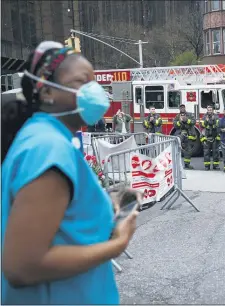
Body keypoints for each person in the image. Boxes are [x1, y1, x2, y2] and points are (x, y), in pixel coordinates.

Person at [1, 41, 139, 304]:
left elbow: (60, 220)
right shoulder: (48, 147)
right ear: (47, 92)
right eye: (82, 82)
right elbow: (23, 267)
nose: (95, 91)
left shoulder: (49, 139)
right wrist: (117, 245)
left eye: (95, 82)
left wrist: (106, 207)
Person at [200, 105, 220, 170]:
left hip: (214, 137)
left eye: (211, 110)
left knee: (215, 152)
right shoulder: (204, 117)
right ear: (207, 110)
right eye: (208, 110)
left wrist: (213, 120)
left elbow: (218, 125)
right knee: (206, 152)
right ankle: (207, 166)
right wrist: (206, 121)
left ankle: (215, 166)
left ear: (213, 110)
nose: (209, 111)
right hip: (206, 137)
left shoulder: (216, 116)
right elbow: (202, 125)